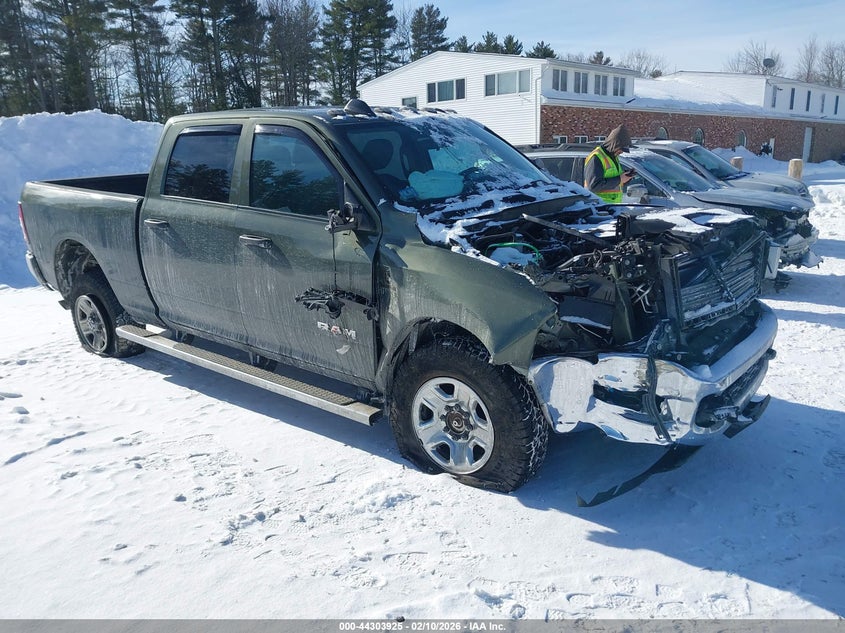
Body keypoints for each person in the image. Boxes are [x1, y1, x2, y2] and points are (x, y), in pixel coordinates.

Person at [583, 124, 633, 203]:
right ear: (614, 144)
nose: (622, 152)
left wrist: (626, 177)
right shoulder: (596, 157)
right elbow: (594, 186)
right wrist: (619, 179)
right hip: (599, 209)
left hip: (612, 208)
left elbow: (615, 184)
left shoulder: (613, 156)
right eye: (621, 149)